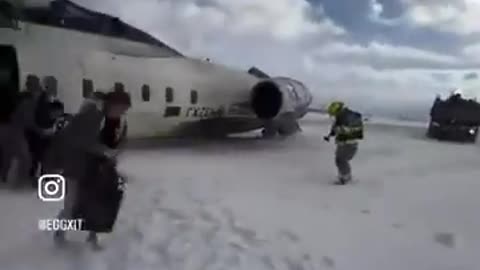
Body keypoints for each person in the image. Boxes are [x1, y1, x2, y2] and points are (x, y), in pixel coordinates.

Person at [43, 90, 131, 248]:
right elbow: (76, 139)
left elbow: (121, 141)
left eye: (125, 108)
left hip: (101, 169)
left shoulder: (120, 121)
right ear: (111, 104)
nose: (123, 111)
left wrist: (113, 154)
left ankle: (92, 237)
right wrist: (104, 150)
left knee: (100, 203)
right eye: (120, 107)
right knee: (72, 204)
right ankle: (59, 233)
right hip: (78, 166)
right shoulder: (91, 116)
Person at [0, 75, 43, 186]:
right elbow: (27, 120)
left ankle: (5, 179)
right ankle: (21, 182)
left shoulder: (21, 97)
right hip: (14, 130)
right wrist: (41, 131)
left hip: (7, 128)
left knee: (7, 156)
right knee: (24, 157)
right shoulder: (28, 100)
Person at [323, 101, 364, 185]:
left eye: (334, 114)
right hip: (344, 143)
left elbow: (352, 130)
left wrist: (340, 130)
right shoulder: (342, 117)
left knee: (341, 160)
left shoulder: (348, 118)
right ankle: (344, 175)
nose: (334, 116)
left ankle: (345, 177)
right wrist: (331, 134)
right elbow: (335, 129)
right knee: (340, 160)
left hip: (349, 143)